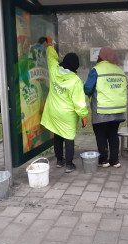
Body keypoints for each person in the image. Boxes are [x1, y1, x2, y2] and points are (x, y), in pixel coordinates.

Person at [40, 37, 88, 173]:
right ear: (76, 66)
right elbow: (79, 102)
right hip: (67, 114)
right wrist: (84, 116)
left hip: (53, 111)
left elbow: (51, 58)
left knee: (57, 135)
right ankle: (69, 164)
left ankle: (59, 161)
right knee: (69, 137)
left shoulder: (54, 71)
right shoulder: (76, 81)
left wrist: (49, 45)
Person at [84, 47, 127, 168]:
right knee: (113, 134)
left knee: (101, 135)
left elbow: (87, 89)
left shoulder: (96, 70)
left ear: (100, 57)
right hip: (118, 110)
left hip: (102, 110)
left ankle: (103, 160)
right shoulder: (120, 71)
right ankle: (115, 160)